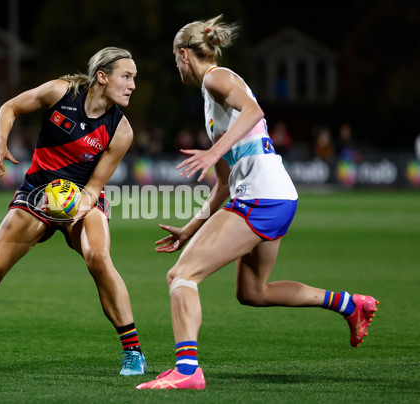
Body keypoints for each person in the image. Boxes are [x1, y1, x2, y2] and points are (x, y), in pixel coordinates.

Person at [136, 15, 379, 390]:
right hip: (275, 195)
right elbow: (222, 186)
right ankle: (349, 304)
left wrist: (213, 149)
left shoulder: (217, 77)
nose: (176, 67)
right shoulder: (210, 101)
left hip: (263, 196)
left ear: (185, 54)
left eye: (175, 59)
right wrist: (189, 229)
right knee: (253, 293)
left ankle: (187, 371)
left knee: (181, 276)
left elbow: (254, 110)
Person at [0, 47, 147, 376]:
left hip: (82, 200)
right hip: (35, 195)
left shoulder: (121, 130)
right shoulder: (61, 92)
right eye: (126, 77)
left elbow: (94, 189)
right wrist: (0, 143)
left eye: (134, 79)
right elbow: (10, 107)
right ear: (102, 77)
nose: (132, 85)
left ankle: (133, 353)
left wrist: (71, 209)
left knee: (99, 259)